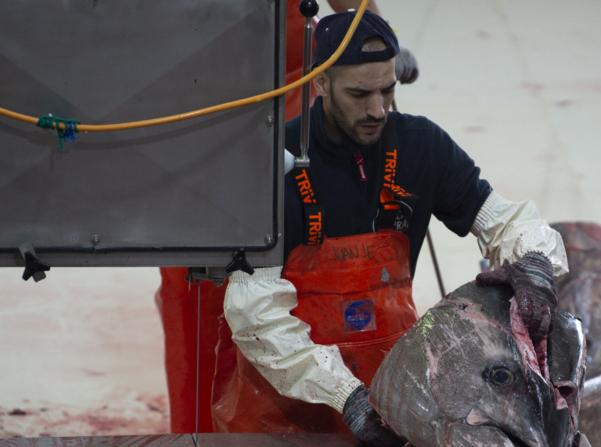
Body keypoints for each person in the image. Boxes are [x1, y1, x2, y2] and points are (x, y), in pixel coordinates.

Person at [210, 9, 570, 444]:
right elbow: (254, 314)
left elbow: (504, 219)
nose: (377, 109)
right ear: (320, 83)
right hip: (280, 413)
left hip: (395, 399)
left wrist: (533, 263)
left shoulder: (422, 147)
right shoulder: (272, 164)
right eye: (359, 93)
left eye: (387, 90)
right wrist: (346, 396)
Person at [155, 0, 420, 434]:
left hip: (290, 96)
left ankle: (330, 420)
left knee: (304, 289)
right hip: (189, 109)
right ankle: (197, 435)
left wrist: (374, 36)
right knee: (197, 292)